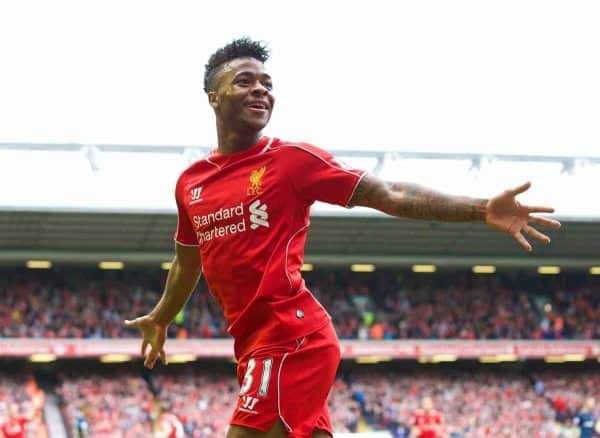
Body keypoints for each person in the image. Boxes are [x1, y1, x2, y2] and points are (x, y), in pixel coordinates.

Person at [124, 37, 561, 438]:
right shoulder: (191, 184)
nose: (261, 90)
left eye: (267, 83)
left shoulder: (291, 162)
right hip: (253, 342)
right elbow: (188, 260)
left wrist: (481, 208)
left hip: (291, 338)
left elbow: (388, 193)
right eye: (245, 81)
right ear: (213, 98)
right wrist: (162, 317)